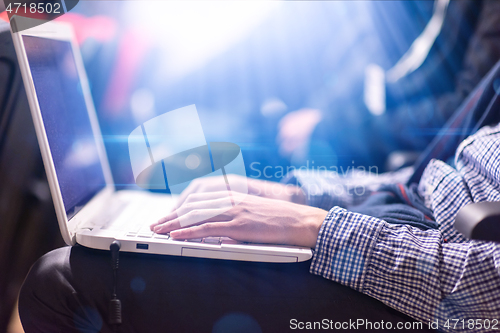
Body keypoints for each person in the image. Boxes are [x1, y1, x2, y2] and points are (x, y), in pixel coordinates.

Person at [18, 59, 500, 332]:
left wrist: (316, 226)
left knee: (62, 282)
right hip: (402, 218)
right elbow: (419, 182)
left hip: (430, 287)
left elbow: (488, 293)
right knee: (167, 155)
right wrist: (292, 193)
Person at [278, 0, 500, 171]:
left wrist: (333, 129)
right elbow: (378, 66)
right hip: (382, 126)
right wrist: (324, 115)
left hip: (429, 159)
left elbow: (467, 109)